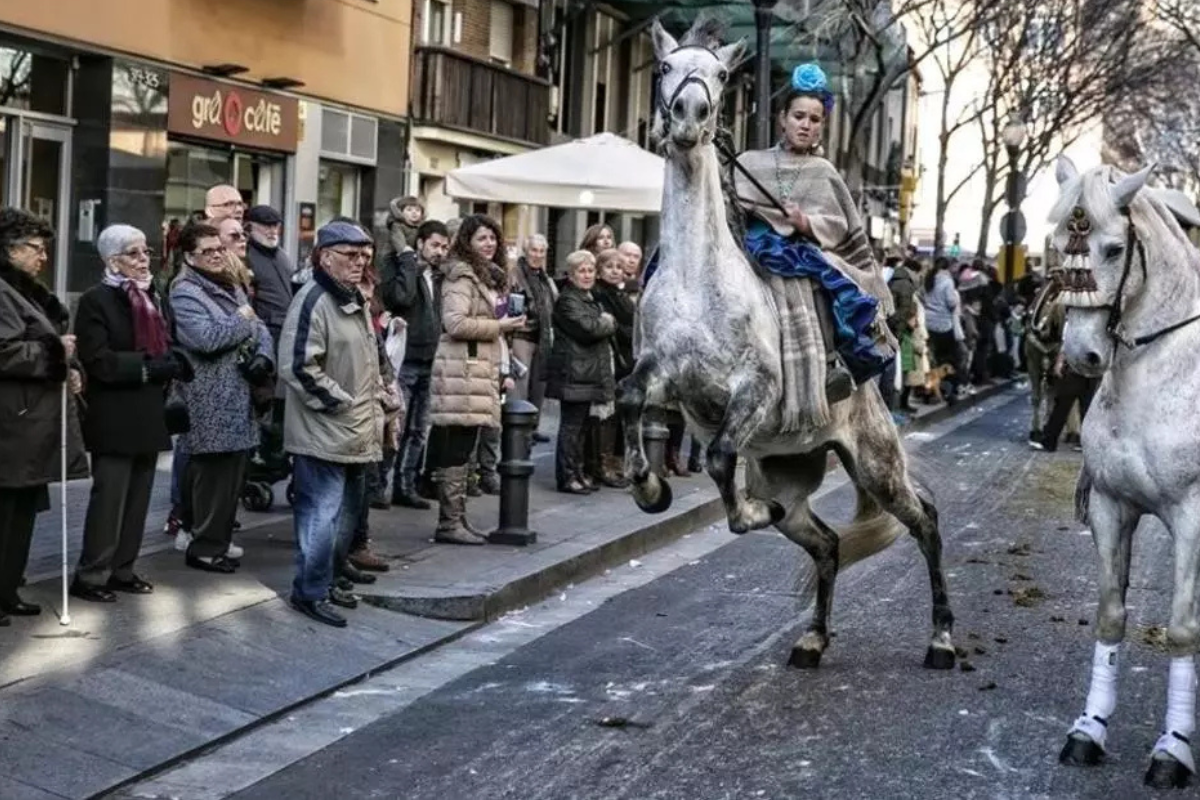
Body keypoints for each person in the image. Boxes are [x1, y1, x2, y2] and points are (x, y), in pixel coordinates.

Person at [733, 63, 894, 412]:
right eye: (798, 116)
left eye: (815, 119)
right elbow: (731, 205)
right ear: (782, 118)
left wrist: (805, 222)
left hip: (802, 251)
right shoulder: (749, 162)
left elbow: (840, 224)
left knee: (826, 281)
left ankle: (830, 364)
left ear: (822, 126)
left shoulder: (824, 171)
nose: (805, 125)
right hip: (751, 246)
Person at [72, 225, 192, 602]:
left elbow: (165, 340)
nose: (144, 261)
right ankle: (92, 576)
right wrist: (144, 367)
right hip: (113, 414)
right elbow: (97, 359)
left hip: (146, 411)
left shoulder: (150, 295)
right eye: (134, 254)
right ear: (113, 261)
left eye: (146, 253)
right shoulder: (96, 300)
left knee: (138, 499)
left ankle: (123, 569)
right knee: (110, 500)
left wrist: (173, 360)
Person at [280, 221, 386, 626]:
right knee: (320, 517)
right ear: (325, 256)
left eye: (365, 256)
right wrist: (341, 402)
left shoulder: (352, 297)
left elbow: (365, 359)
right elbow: (295, 365)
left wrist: (379, 397)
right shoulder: (314, 299)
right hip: (325, 429)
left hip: (355, 428)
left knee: (344, 516)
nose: (360, 263)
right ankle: (308, 592)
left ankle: (328, 581)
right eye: (351, 255)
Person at [0, 209, 88, 622]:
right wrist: (57, 354)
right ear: (9, 249)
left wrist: (69, 370)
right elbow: (6, 351)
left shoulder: (28, 291)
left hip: (32, 420)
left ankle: (8, 588)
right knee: (6, 511)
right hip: (12, 419)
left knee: (24, 509)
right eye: (34, 248)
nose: (42, 257)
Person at [171, 221, 274, 573]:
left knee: (232, 477)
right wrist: (243, 319)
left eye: (219, 249)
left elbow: (259, 328)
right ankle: (203, 548)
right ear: (189, 256)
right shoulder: (184, 291)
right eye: (207, 251)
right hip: (209, 398)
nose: (216, 256)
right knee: (212, 479)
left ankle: (218, 540)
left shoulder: (227, 284)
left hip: (239, 393)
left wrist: (264, 356)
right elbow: (207, 339)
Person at [427, 214, 525, 544]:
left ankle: (458, 520)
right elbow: (454, 324)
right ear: (467, 242)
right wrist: (501, 327)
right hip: (461, 369)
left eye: (493, 238)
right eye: (482, 238)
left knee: (465, 445)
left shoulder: (488, 277)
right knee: (456, 446)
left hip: (476, 370)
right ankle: (449, 523)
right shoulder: (460, 276)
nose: (489, 244)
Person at [380, 219, 450, 509]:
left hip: (430, 359)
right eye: (435, 245)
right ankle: (379, 484)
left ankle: (405, 486)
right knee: (396, 424)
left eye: (445, 247)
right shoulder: (401, 267)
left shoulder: (439, 276)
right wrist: (409, 263)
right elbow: (401, 298)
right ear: (419, 243)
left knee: (419, 429)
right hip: (405, 359)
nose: (440, 252)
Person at [547, 250, 618, 494]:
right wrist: (607, 322)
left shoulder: (588, 299)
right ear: (571, 274)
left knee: (582, 428)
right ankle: (567, 477)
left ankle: (578, 473)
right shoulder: (568, 300)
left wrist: (605, 322)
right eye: (581, 271)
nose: (587, 275)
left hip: (587, 374)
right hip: (574, 373)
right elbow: (588, 329)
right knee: (571, 428)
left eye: (590, 270)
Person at [591, 248, 635, 487]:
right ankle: (603, 464)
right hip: (611, 360)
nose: (615, 271)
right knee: (606, 416)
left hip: (627, 362)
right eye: (609, 267)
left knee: (621, 414)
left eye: (618, 267)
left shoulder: (621, 295)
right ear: (600, 270)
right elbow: (617, 327)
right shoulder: (600, 295)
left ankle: (617, 462)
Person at [508, 233, 558, 443]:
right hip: (521, 335)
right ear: (525, 251)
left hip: (543, 336)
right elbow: (510, 307)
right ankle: (515, 428)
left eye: (541, 251)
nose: (537, 255)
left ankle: (532, 426)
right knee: (520, 384)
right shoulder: (515, 274)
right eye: (533, 250)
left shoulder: (545, 278)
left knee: (539, 384)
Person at [923, 256, 967, 403]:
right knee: (948, 360)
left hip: (928, 323)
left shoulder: (928, 279)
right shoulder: (947, 282)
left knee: (930, 360)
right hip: (944, 325)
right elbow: (951, 302)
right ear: (947, 268)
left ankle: (929, 390)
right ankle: (948, 391)